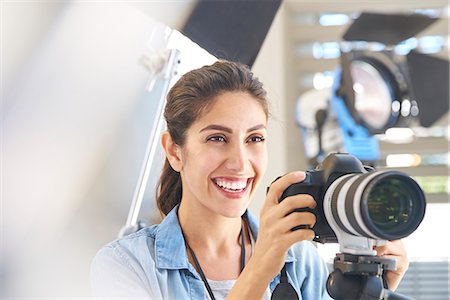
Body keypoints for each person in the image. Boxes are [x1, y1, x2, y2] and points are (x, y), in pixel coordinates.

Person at [90, 60, 409, 299]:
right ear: (175, 151)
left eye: (254, 138)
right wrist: (259, 269)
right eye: (217, 138)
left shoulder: (299, 260)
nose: (240, 162)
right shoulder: (125, 265)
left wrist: (374, 289)